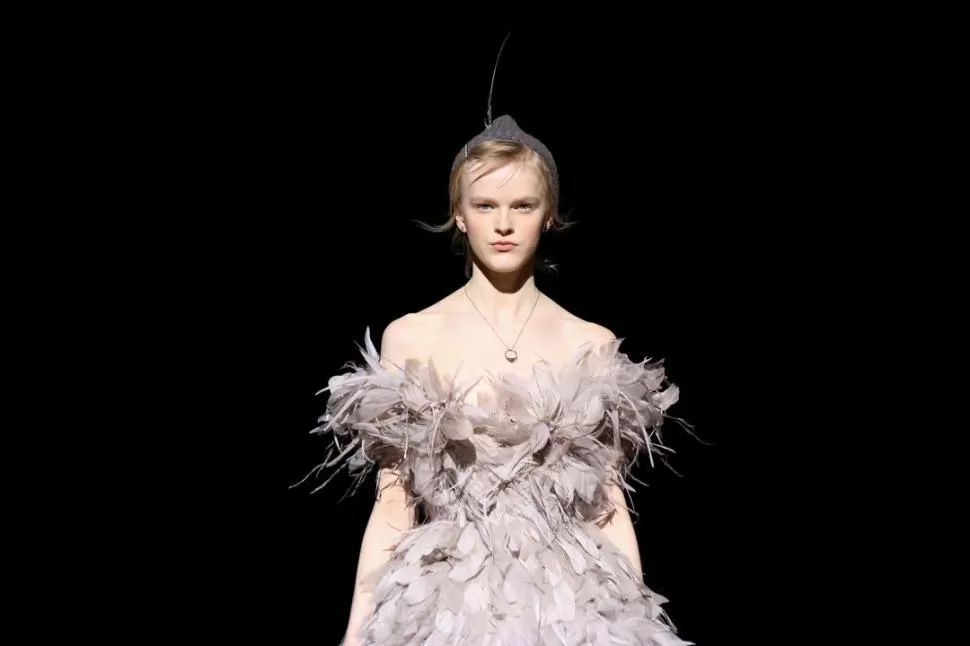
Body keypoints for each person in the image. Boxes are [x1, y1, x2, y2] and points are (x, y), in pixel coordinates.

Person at [310, 114, 691, 645]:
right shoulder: (413, 337)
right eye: (485, 205)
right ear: (460, 216)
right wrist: (355, 635)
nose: (504, 224)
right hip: (445, 605)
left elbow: (607, 507)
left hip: (574, 610)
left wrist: (641, 628)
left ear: (549, 215)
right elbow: (394, 503)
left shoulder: (592, 343)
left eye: (523, 206)